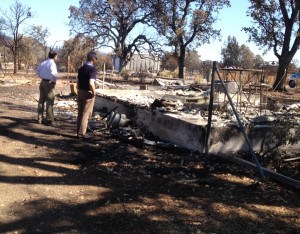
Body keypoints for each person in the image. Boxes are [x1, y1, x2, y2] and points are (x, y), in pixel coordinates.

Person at [76, 51, 97, 139]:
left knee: (80, 113)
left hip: (80, 91)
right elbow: (91, 83)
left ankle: (78, 132)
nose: (96, 60)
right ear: (92, 59)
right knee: (86, 114)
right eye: (96, 58)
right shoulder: (92, 69)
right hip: (88, 92)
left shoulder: (81, 68)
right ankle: (82, 133)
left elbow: (77, 81)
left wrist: (77, 90)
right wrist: (94, 92)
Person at [36, 50, 58, 127]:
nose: (57, 58)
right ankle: (50, 120)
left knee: (41, 101)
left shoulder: (43, 63)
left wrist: (42, 77)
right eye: (56, 56)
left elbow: (37, 71)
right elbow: (54, 74)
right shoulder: (52, 63)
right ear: (55, 56)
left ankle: (40, 118)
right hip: (49, 83)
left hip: (42, 82)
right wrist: (53, 81)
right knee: (49, 101)